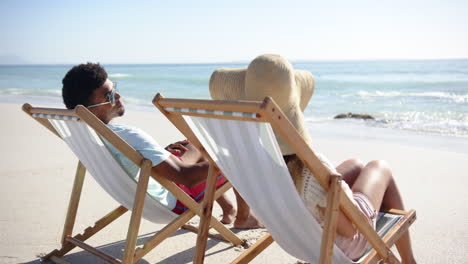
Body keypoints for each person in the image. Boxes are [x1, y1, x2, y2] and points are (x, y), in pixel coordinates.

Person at [209, 54, 416, 263]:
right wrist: (341, 198)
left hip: (296, 239)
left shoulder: (247, 160)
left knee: (356, 165)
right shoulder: (310, 169)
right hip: (341, 246)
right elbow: (349, 229)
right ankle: (409, 261)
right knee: (379, 167)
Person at [61, 62, 262, 229]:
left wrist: (161, 156)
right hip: (174, 203)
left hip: (143, 196)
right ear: (89, 109)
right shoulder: (129, 136)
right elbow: (187, 178)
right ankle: (245, 218)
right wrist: (233, 158)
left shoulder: (87, 135)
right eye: (110, 96)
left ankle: (229, 210)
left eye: (116, 89)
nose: (119, 97)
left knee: (195, 145)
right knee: (230, 153)